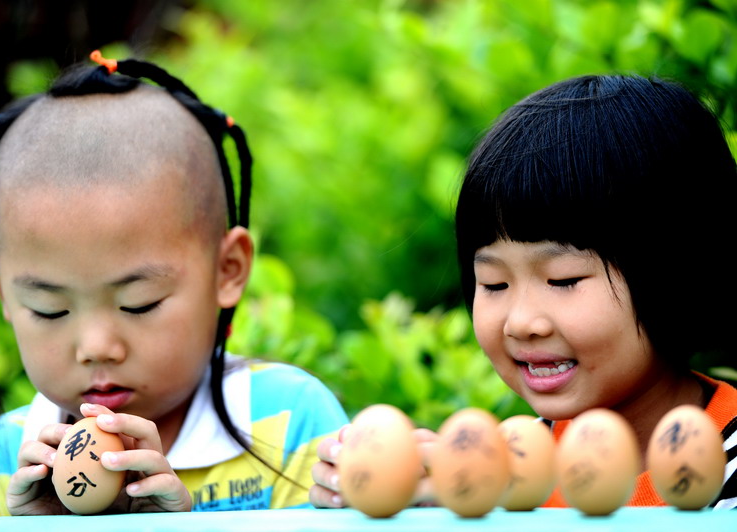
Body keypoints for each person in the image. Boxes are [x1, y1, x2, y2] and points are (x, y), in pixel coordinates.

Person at [309, 75, 737, 510]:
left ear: (678, 271)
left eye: (563, 279)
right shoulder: (503, 472)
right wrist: (418, 500)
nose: (520, 322)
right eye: (494, 283)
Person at [0, 51, 348, 516]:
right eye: (50, 309)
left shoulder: (288, 422)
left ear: (227, 269)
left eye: (139, 303)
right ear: (2, 288)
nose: (96, 348)